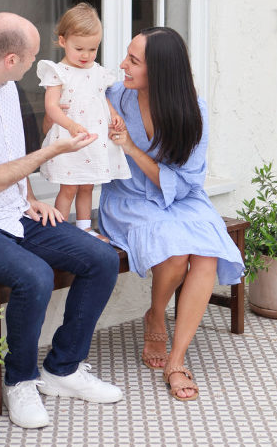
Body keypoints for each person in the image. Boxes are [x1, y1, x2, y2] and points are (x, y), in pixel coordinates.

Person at [0, 12, 123, 429]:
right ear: (12, 58)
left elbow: (10, 159)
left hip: (13, 213)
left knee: (101, 258)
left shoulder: (6, 89)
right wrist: (52, 152)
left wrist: (31, 198)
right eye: (33, 56)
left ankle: (63, 369)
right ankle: (21, 382)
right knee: (33, 275)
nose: (37, 63)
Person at [98, 27, 244, 402]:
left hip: (182, 198)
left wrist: (131, 147)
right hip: (129, 199)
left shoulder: (191, 109)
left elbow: (189, 178)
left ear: (159, 71)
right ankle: (156, 315)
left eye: (133, 60)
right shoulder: (113, 97)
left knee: (206, 256)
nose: (122, 65)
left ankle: (176, 361)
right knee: (178, 252)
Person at [37, 3, 130, 239]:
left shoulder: (97, 70)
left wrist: (114, 115)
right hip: (70, 139)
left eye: (93, 49)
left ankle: (84, 227)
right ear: (62, 41)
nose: (86, 55)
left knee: (88, 184)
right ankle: (58, 231)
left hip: (91, 139)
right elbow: (51, 106)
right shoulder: (58, 72)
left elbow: (100, 97)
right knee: (69, 186)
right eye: (79, 48)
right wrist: (70, 125)